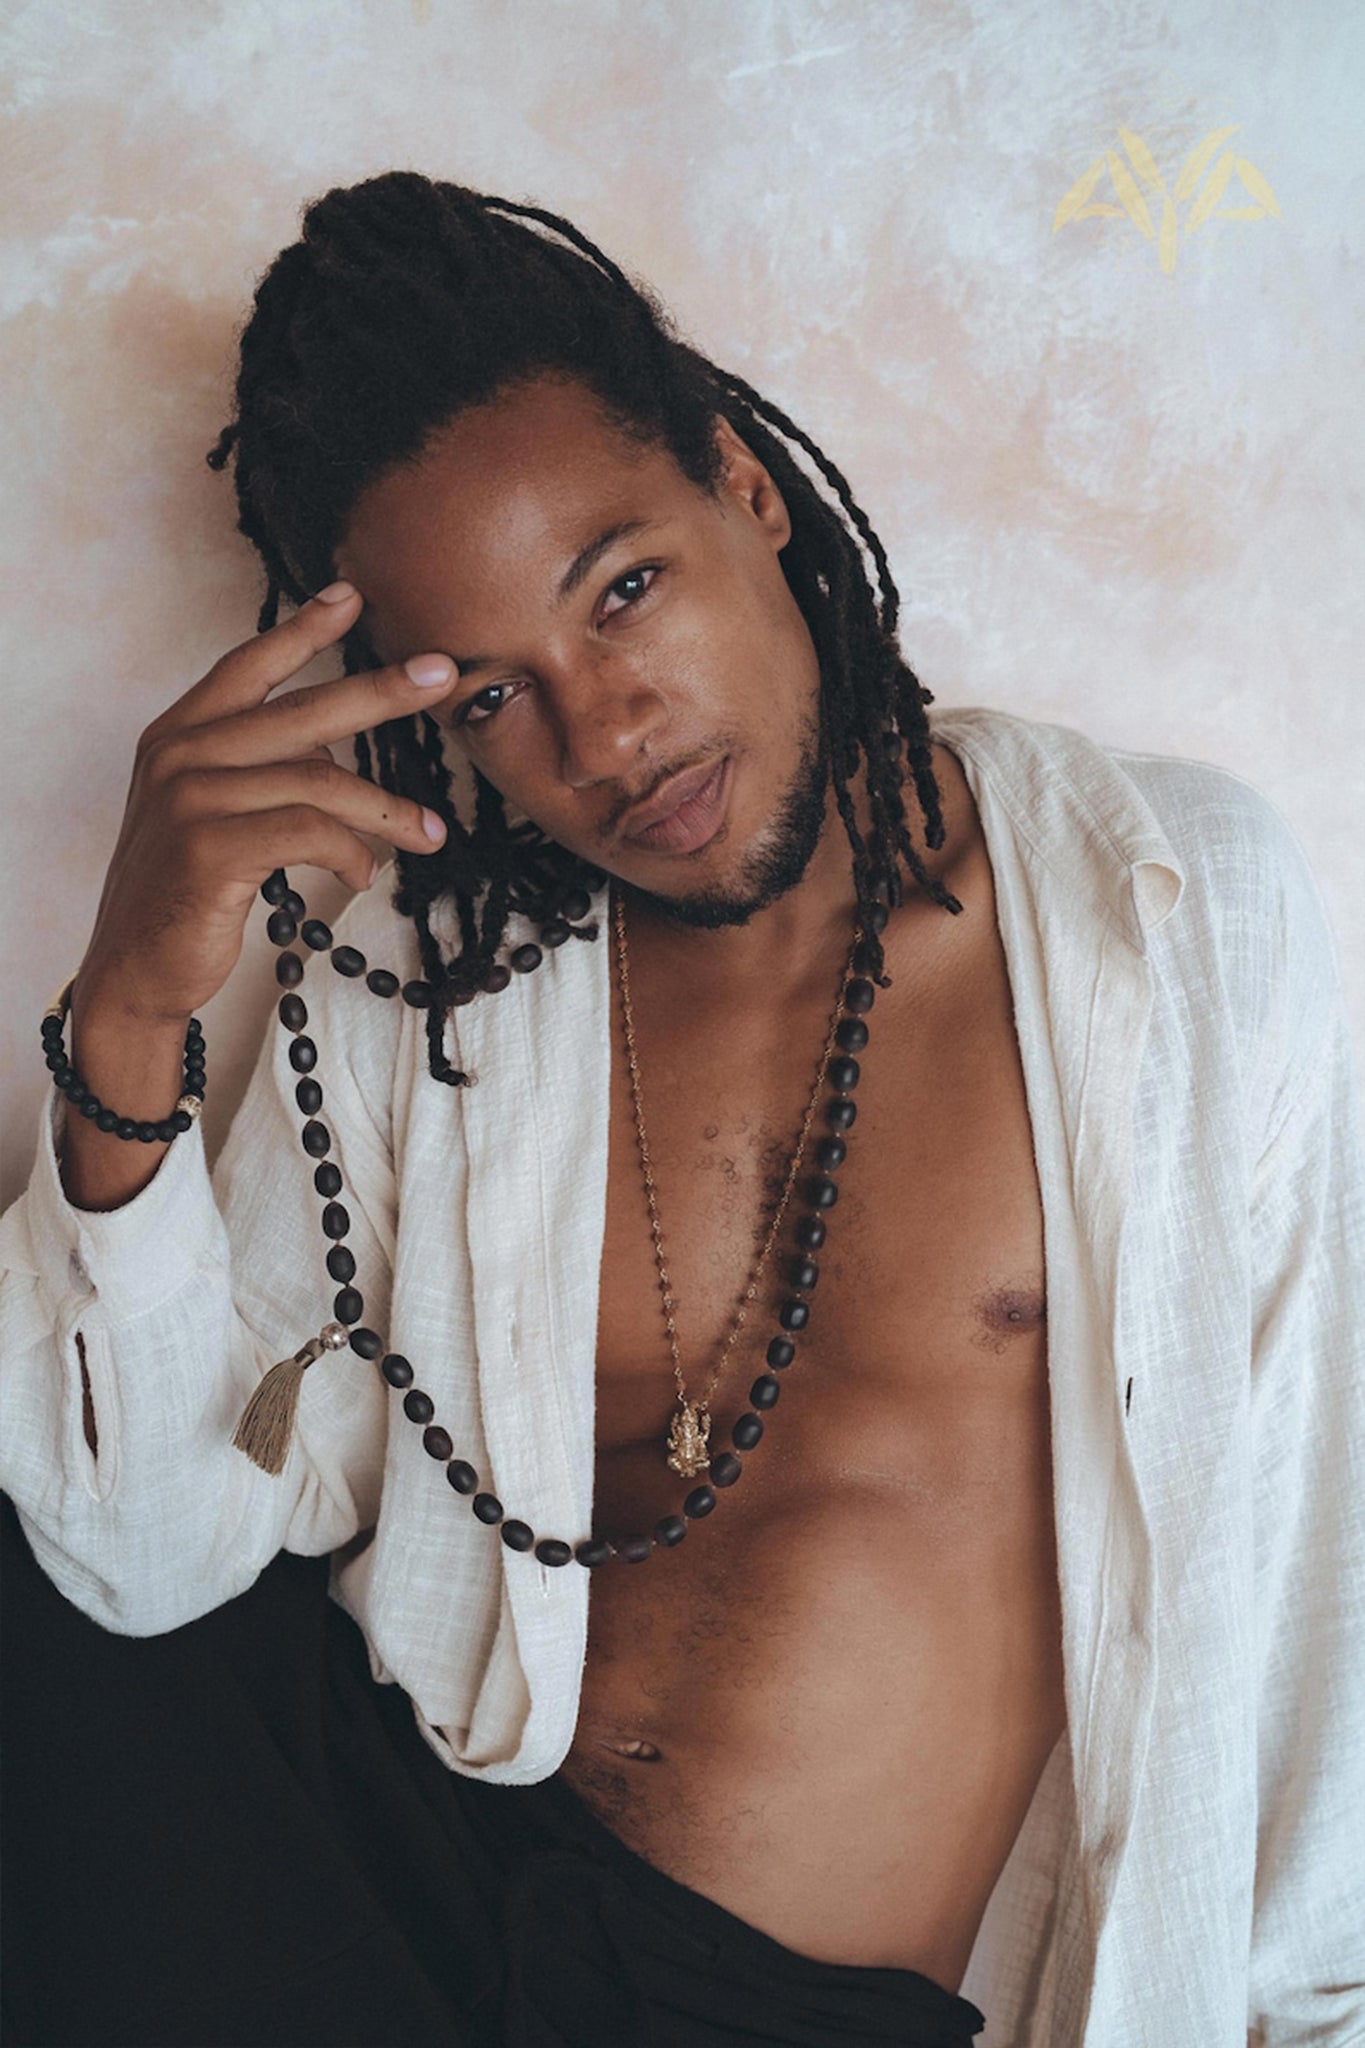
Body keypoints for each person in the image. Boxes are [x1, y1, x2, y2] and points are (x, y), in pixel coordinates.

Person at [0, 169, 1361, 2048]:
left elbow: (1309, 1570)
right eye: (488, 698)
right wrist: (139, 1004)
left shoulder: (1159, 901)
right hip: (396, 1887)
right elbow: (134, 1553)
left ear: (745, 483)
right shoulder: (430, 974)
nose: (608, 734)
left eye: (623, 590)